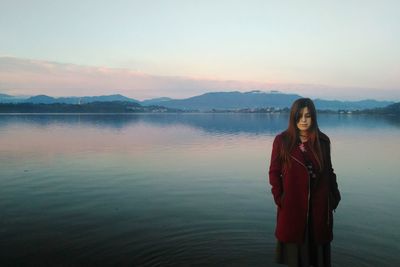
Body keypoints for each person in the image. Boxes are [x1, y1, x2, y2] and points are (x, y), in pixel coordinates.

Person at [269, 98, 341, 267]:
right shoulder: (282, 141)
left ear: (313, 117)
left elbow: (329, 172)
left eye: (307, 116)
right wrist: (280, 199)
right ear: (293, 118)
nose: (303, 120)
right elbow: (274, 173)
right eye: (299, 116)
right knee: (295, 259)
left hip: (319, 208)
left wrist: (334, 196)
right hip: (292, 208)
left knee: (318, 258)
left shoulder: (323, 141)